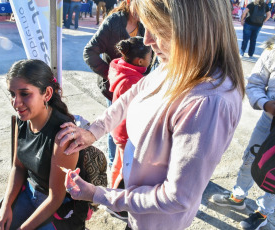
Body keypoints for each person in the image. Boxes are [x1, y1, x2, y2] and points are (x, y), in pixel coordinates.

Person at [59, 0, 245, 229]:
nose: (146, 40)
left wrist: (99, 195)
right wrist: (92, 131)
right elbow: (131, 95)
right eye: (146, 27)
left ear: (189, 27)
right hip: (139, 212)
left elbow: (176, 197)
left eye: (155, 29)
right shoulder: (175, 63)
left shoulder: (208, 102)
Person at [0, 60, 88, 230]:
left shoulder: (62, 136)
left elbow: (55, 199)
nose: (16, 103)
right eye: (12, 94)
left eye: (24, 94)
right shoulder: (22, 120)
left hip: (60, 210)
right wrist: (5, 207)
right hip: (29, 193)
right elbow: (17, 168)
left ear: (47, 94)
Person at [212, 37, 275, 230]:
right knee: (250, 158)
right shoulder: (271, 51)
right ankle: (237, 196)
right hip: (268, 120)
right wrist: (266, 103)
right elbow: (254, 84)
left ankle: (263, 213)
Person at [83, 0, 147, 168]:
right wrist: (112, 76)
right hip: (116, 89)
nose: (144, 9)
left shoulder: (145, 24)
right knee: (115, 127)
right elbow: (89, 52)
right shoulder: (114, 22)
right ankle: (114, 168)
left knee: (132, 128)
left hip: (137, 88)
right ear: (128, 2)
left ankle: (128, 167)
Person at [108, 36, 152, 190]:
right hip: (126, 132)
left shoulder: (123, 70)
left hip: (118, 127)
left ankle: (112, 191)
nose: (152, 58)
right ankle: (117, 199)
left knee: (118, 163)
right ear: (140, 61)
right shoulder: (132, 81)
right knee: (125, 169)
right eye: (150, 56)